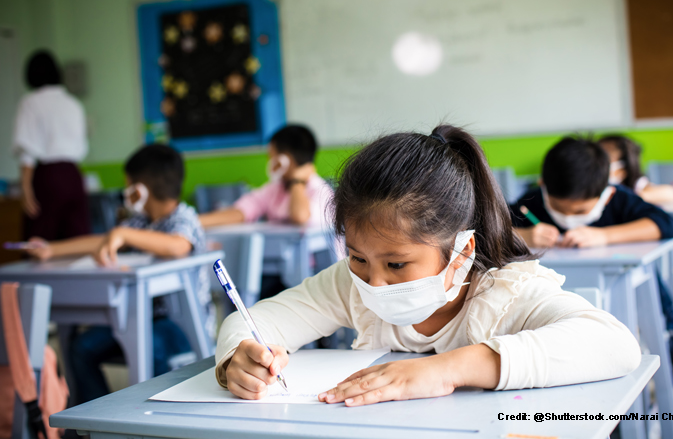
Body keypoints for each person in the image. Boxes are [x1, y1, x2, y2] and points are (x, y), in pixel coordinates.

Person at [214, 125, 640, 405]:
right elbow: (256, 321)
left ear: (461, 253)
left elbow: (615, 346)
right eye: (358, 257)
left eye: (398, 264)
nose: (374, 282)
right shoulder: (350, 283)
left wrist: (446, 370)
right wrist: (240, 356)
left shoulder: (506, 291)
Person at [27, 144, 209, 403]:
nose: (125, 195)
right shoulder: (141, 221)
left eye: (128, 188)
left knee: (150, 346)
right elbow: (100, 241)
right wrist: (51, 249)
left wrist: (122, 234)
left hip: (182, 328)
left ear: (140, 190)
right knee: (81, 348)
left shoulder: (184, 217)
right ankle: (97, 418)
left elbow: (178, 245)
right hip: (137, 319)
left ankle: (158, 418)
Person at [511, 136, 673, 249]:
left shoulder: (618, 198)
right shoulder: (532, 200)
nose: (568, 217)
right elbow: (490, 228)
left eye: (580, 211)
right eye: (558, 207)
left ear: (606, 195)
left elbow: (667, 225)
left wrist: (605, 236)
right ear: (542, 185)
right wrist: (522, 236)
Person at [12, 50, 90, 240]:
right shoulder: (74, 103)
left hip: (48, 178)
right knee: (76, 239)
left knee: (40, 242)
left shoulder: (31, 102)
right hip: (74, 176)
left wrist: (26, 188)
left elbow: (28, 150)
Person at [199, 124, 333, 228]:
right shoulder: (274, 189)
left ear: (285, 160)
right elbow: (241, 212)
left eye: (272, 157)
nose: (269, 162)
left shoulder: (321, 191)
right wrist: (193, 223)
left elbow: (300, 216)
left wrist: (297, 180)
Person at [598, 135, 673, 206]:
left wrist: (630, 197)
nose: (598, 164)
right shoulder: (594, 185)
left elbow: (671, 193)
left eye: (607, 159)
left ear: (622, 170)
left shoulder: (637, 185)